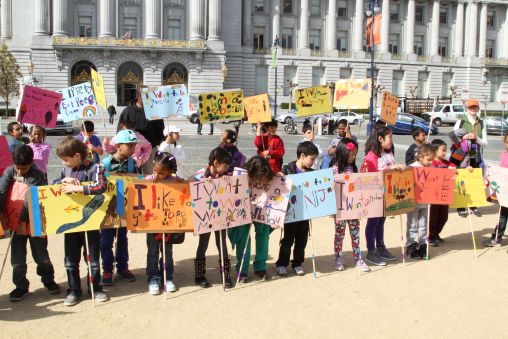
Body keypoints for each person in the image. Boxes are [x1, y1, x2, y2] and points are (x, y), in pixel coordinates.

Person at [0, 145, 60, 301]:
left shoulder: (37, 174)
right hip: (14, 221)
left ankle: (48, 280)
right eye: (18, 168)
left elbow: (30, 200)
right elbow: (2, 191)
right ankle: (20, 286)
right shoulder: (9, 171)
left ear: (31, 163)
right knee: (17, 258)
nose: (20, 171)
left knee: (41, 255)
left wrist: (23, 221)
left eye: (24, 168)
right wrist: (1, 214)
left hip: (35, 221)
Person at [54, 137, 109, 306]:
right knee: (70, 261)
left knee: (92, 259)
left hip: (90, 222)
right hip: (71, 223)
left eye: (66, 160)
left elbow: (101, 186)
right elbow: (54, 185)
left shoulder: (95, 167)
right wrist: (63, 181)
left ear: (77, 155)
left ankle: (96, 288)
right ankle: (73, 291)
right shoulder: (66, 171)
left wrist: (78, 188)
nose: (64, 163)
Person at [100, 129, 139, 286]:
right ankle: (107, 269)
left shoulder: (132, 163)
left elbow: (137, 182)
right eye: (129, 145)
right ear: (118, 146)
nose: (132, 149)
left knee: (122, 238)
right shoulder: (105, 163)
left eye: (134, 145)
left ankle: (123, 267)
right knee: (106, 241)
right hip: (108, 209)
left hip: (125, 208)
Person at [228, 156, 275, 283]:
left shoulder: (269, 174)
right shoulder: (240, 176)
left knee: (263, 236)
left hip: (262, 210)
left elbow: (278, 183)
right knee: (243, 239)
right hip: (244, 211)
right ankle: (242, 269)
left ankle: (260, 267)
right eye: (258, 176)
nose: (261, 179)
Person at [360, 126, 402, 266]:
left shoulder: (389, 153)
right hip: (374, 195)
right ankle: (371, 251)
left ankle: (381, 246)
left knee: (381, 221)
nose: (391, 140)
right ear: (380, 139)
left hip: (387, 194)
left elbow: (391, 168)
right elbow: (370, 177)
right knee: (373, 222)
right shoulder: (371, 156)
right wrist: (391, 169)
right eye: (390, 137)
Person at [276, 141, 318, 277]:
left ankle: (297, 263)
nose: (313, 162)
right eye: (312, 159)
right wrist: (279, 177)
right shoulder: (287, 169)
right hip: (290, 213)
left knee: (302, 240)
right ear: (302, 155)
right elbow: (279, 187)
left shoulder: (312, 173)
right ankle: (282, 263)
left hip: (305, 213)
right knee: (287, 239)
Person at [193, 147, 233, 288]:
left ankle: (225, 275)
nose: (227, 168)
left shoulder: (225, 176)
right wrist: (203, 182)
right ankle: (199, 275)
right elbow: (189, 186)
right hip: (204, 217)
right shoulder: (200, 174)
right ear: (216, 163)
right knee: (203, 244)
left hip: (220, 217)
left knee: (221, 244)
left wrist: (227, 181)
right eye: (225, 165)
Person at [330, 138, 370, 272]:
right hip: (340, 208)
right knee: (339, 234)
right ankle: (338, 257)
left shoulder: (353, 168)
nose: (353, 157)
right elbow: (330, 188)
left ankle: (358, 258)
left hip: (353, 208)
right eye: (351, 154)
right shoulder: (334, 168)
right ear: (342, 153)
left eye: (355, 154)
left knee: (355, 233)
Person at [144, 152, 180, 294]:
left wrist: (180, 183)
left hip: (169, 223)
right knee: (152, 251)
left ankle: (168, 277)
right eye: (155, 171)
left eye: (161, 173)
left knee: (168, 252)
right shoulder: (149, 179)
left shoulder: (175, 180)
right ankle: (153, 278)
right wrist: (148, 182)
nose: (156, 174)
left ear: (170, 171)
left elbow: (186, 188)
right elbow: (139, 187)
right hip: (152, 222)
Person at [450, 99, 487, 217]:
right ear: (466, 109)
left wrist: (476, 138)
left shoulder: (481, 123)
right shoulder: (461, 121)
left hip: (476, 156)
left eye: (475, 107)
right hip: (461, 156)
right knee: (461, 180)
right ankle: (461, 207)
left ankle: (473, 205)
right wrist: (464, 137)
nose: (473, 109)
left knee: (474, 181)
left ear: (478, 108)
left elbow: (485, 143)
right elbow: (452, 137)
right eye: (470, 107)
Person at [117, 90, 165, 174]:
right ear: (138, 97)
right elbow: (120, 130)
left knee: (149, 174)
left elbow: (160, 129)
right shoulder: (128, 111)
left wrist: (156, 142)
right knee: (131, 174)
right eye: (144, 96)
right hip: (130, 150)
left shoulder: (155, 111)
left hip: (149, 149)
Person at [406, 143, 435, 259]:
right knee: (412, 224)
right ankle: (411, 245)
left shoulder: (432, 168)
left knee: (423, 225)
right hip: (413, 202)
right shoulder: (412, 167)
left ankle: (423, 245)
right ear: (421, 157)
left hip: (426, 202)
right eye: (429, 159)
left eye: (432, 159)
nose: (431, 162)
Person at [428, 139, 456, 245]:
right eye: (443, 150)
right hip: (434, 196)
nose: (445, 153)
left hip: (445, 195)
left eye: (445, 150)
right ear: (435, 150)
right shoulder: (431, 163)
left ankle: (436, 234)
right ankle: (430, 236)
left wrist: (466, 169)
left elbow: (455, 167)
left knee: (444, 217)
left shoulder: (446, 163)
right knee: (433, 217)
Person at [483, 134, 508, 247]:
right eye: (507, 142)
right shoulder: (503, 155)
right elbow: (500, 173)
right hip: (505, 192)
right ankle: (497, 239)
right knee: (502, 216)